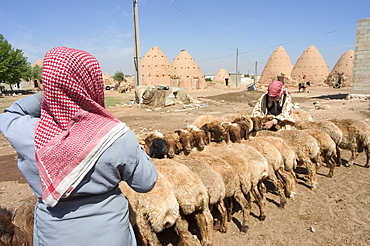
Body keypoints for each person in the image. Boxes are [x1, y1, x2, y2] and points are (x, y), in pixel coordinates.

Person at [0, 47, 158, 246]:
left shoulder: (26, 132)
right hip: (110, 236)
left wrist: (52, 94)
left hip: (52, 237)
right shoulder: (116, 134)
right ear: (92, 82)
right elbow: (145, 183)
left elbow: (10, 113)